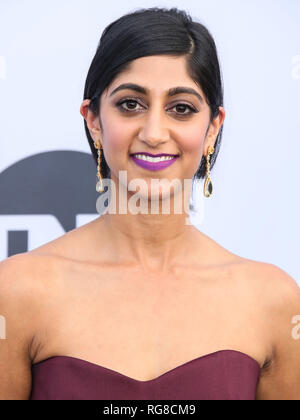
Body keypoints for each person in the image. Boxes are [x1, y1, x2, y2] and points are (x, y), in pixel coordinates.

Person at [0, 7, 300, 401]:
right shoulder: (17, 291)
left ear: (212, 128)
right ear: (93, 120)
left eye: (181, 108)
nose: (155, 133)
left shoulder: (273, 301)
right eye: (130, 104)